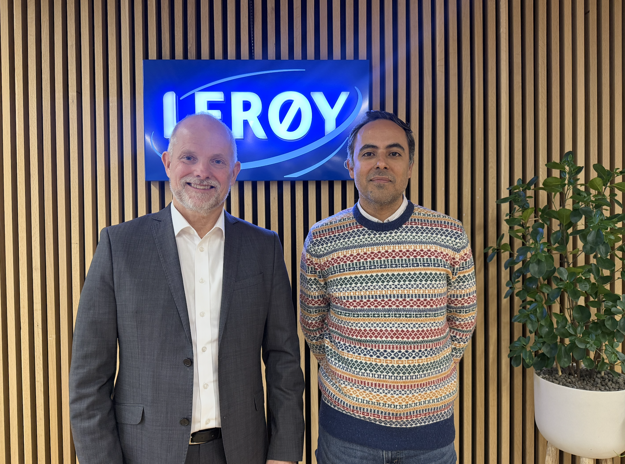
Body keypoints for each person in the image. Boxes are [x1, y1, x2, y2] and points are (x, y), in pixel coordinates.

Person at [70, 113, 304, 464]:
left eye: (217, 161)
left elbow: (284, 360)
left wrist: (284, 453)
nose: (202, 171)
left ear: (234, 172)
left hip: (242, 450)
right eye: (189, 157)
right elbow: (89, 377)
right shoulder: (120, 246)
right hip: (145, 452)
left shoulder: (263, 247)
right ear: (167, 163)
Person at [300, 110, 477, 463]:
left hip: (430, 437)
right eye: (369, 153)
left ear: (410, 166)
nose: (381, 162)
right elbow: (312, 325)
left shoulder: (449, 235)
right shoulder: (323, 239)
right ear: (350, 165)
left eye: (394, 153)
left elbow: (462, 322)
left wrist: (423, 379)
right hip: (345, 436)